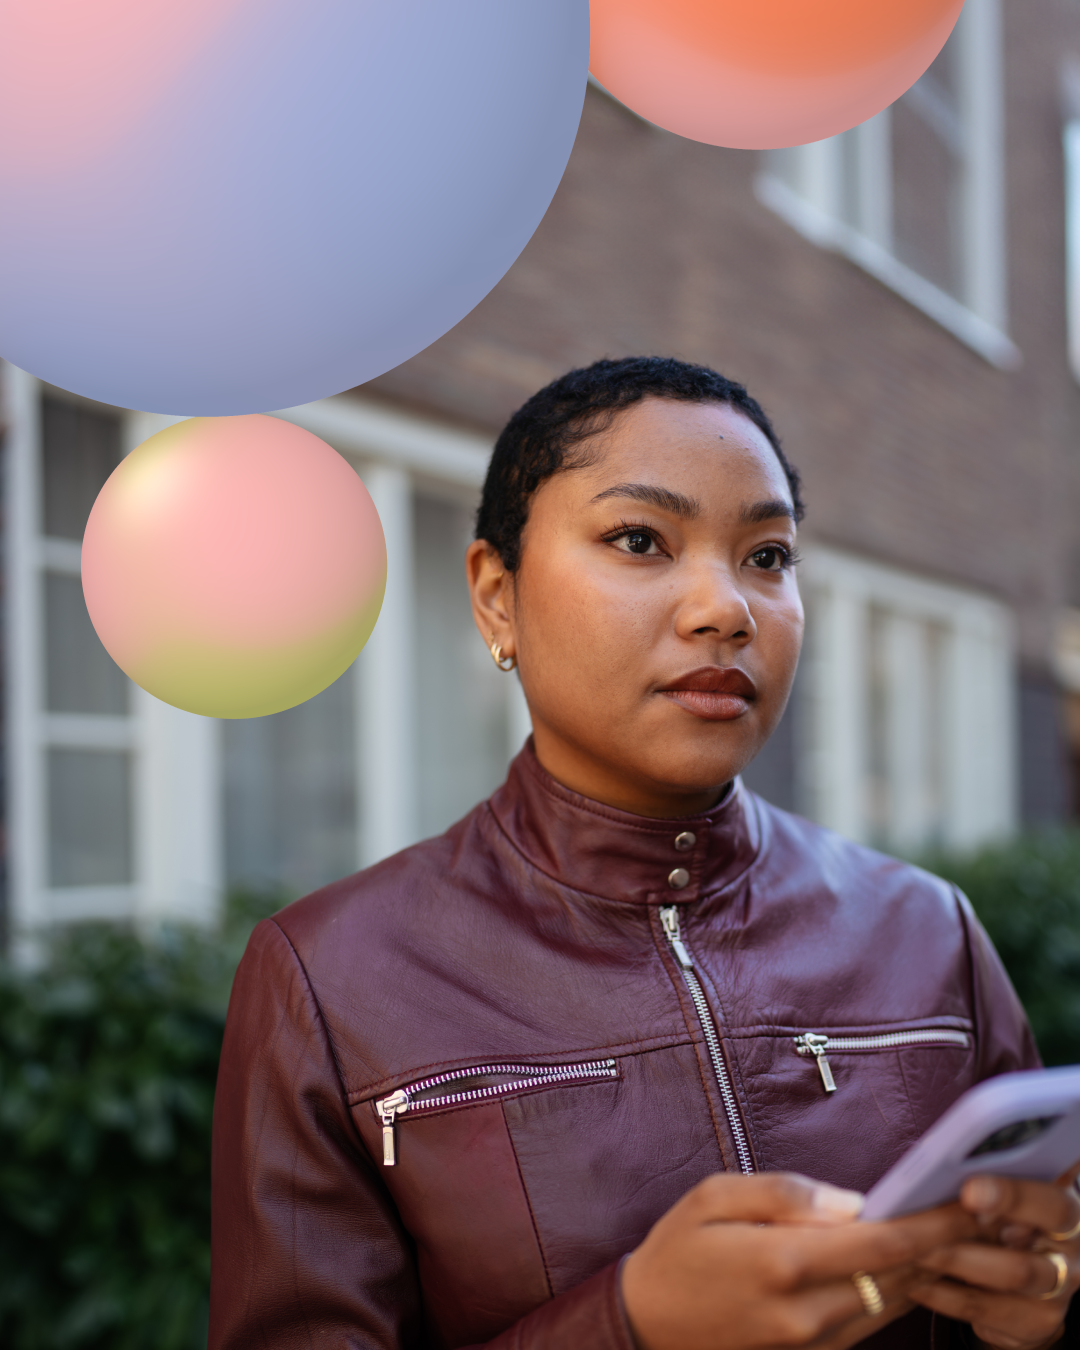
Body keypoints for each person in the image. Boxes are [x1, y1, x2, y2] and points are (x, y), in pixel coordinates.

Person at [209, 358, 1079, 1350]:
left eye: (768, 555)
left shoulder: (928, 928)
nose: (725, 608)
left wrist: (1043, 1304)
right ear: (497, 596)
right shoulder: (329, 979)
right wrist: (627, 1326)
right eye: (639, 539)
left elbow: (1037, 1248)